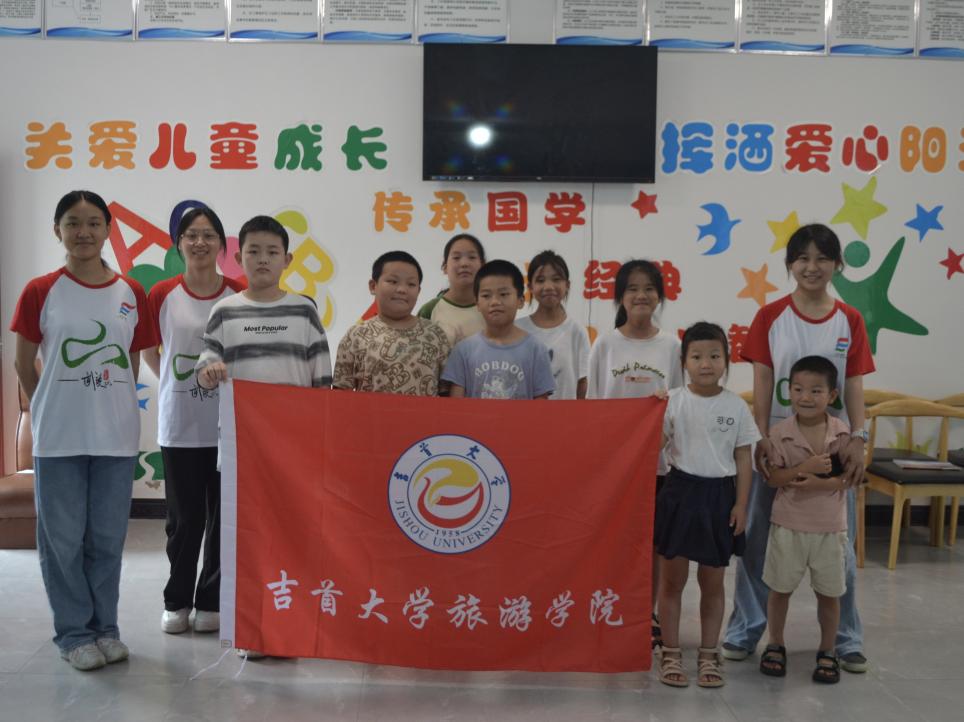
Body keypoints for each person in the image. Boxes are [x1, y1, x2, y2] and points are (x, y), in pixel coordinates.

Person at [722, 224, 875, 674]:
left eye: (822, 258)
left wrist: (858, 438)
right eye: (802, 258)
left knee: (840, 549)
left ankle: (846, 640)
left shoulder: (850, 319)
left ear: (837, 265)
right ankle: (745, 630)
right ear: (789, 264)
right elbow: (763, 381)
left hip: (835, 446)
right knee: (758, 543)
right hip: (779, 445)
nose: (812, 267)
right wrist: (760, 438)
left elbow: (853, 384)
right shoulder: (770, 316)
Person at [10, 190, 154, 671]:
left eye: (94, 223)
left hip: (115, 436)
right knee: (62, 541)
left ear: (108, 230)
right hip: (59, 438)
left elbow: (131, 363)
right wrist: (50, 403)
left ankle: (105, 629)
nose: (84, 232)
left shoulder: (130, 293)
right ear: (58, 230)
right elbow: (23, 363)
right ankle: (73, 634)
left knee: (108, 540)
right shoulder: (40, 290)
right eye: (73, 223)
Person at [195, 215, 332, 659]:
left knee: (291, 537)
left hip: (294, 451)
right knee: (247, 541)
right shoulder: (225, 311)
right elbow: (205, 365)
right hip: (242, 450)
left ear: (287, 259)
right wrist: (209, 371)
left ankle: (287, 629)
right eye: (253, 251)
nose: (263, 259)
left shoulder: (304, 311)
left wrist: (316, 441)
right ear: (238, 257)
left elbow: (322, 380)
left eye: (272, 252)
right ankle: (252, 631)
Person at [144, 206, 244, 635]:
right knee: (184, 520)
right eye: (191, 234)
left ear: (221, 244)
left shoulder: (239, 295)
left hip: (229, 426)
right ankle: (177, 599)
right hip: (180, 423)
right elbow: (151, 352)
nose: (200, 242)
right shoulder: (162, 293)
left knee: (223, 518)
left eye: (208, 234)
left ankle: (211, 600)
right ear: (178, 243)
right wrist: (177, 387)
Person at [654, 322, 759, 688]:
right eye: (697, 356)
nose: (706, 364)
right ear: (684, 362)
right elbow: (652, 445)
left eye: (714, 356)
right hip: (679, 494)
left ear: (726, 360)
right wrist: (651, 411)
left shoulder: (736, 406)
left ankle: (708, 653)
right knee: (672, 581)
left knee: (712, 582)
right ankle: (670, 651)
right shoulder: (672, 401)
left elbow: (744, 458)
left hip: (720, 499)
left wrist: (741, 505)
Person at [587, 259, 683, 647]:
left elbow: (680, 404)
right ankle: (609, 607)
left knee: (654, 545)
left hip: (659, 466)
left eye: (648, 288)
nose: (641, 295)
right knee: (613, 541)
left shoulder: (672, 345)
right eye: (632, 288)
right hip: (615, 466)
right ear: (620, 297)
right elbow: (594, 406)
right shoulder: (605, 344)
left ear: (659, 296)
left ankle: (648, 612)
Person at [758, 356, 852, 685]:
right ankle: (775, 643)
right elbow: (773, 478)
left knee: (829, 594)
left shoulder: (842, 433)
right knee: (779, 589)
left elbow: (849, 479)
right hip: (788, 525)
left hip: (830, 528)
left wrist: (819, 483)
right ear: (788, 392)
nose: (805, 397)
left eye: (815, 390)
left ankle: (828, 650)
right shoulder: (780, 433)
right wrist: (804, 469)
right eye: (797, 389)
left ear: (832, 395)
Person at [333, 251, 450, 395]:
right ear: (373, 286)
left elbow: (447, 394)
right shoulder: (355, 336)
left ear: (418, 291)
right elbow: (339, 395)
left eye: (411, 284)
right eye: (393, 281)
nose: (402, 289)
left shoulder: (435, 334)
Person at [441, 260, 554, 400]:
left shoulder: (536, 350)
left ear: (520, 300)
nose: (495, 302)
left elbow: (541, 407)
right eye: (486, 295)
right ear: (477, 303)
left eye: (504, 294)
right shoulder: (463, 351)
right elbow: (456, 407)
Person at [516, 250, 590, 399]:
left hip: (565, 413)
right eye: (540, 280)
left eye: (556, 279)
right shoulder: (517, 329)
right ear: (530, 287)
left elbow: (583, 383)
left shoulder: (577, 331)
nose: (549, 286)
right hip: (524, 412)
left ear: (567, 285)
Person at [417, 233, 486, 348]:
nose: (464, 263)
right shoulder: (429, 310)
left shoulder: (491, 308)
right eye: (456, 258)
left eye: (472, 257)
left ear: (483, 266)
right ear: (444, 267)